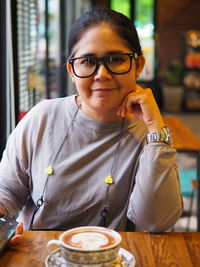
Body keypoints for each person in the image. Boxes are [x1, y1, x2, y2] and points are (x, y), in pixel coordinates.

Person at [0, 7, 182, 243]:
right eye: (88, 61)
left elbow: (155, 221)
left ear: (138, 65)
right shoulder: (42, 118)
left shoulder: (148, 136)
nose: (102, 74)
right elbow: (8, 191)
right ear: (72, 71)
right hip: (40, 255)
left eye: (116, 59)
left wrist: (156, 130)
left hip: (113, 258)